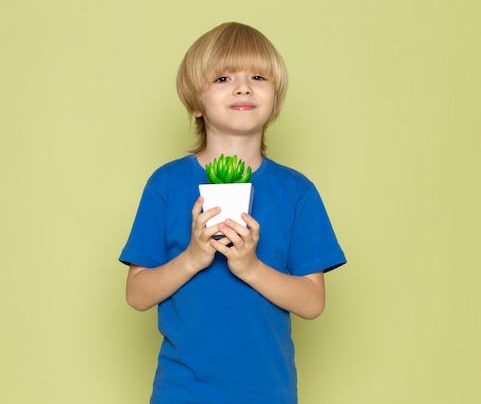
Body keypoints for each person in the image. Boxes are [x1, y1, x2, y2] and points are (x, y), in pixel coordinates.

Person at [119, 22, 346, 404]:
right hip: (182, 392)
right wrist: (192, 258)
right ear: (195, 102)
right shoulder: (167, 184)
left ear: (274, 98)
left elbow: (313, 302)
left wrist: (249, 267)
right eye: (223, 78)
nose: (243, 87)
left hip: (267, 391)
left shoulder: (297, 192)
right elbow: (137, 295)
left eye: (258, 76)